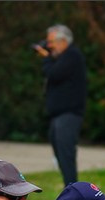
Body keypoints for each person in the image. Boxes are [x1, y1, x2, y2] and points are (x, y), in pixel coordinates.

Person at [34, 24, 87, 187]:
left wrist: (46, 58)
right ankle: (70, 193)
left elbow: (54, 74)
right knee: (61, 157)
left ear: (63, 41)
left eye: (51, 42)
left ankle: (73, 196)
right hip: (60, 116)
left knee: (66, 157)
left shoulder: (72, 56)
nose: (48, 46)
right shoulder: (65, 57)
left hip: (68, 115)